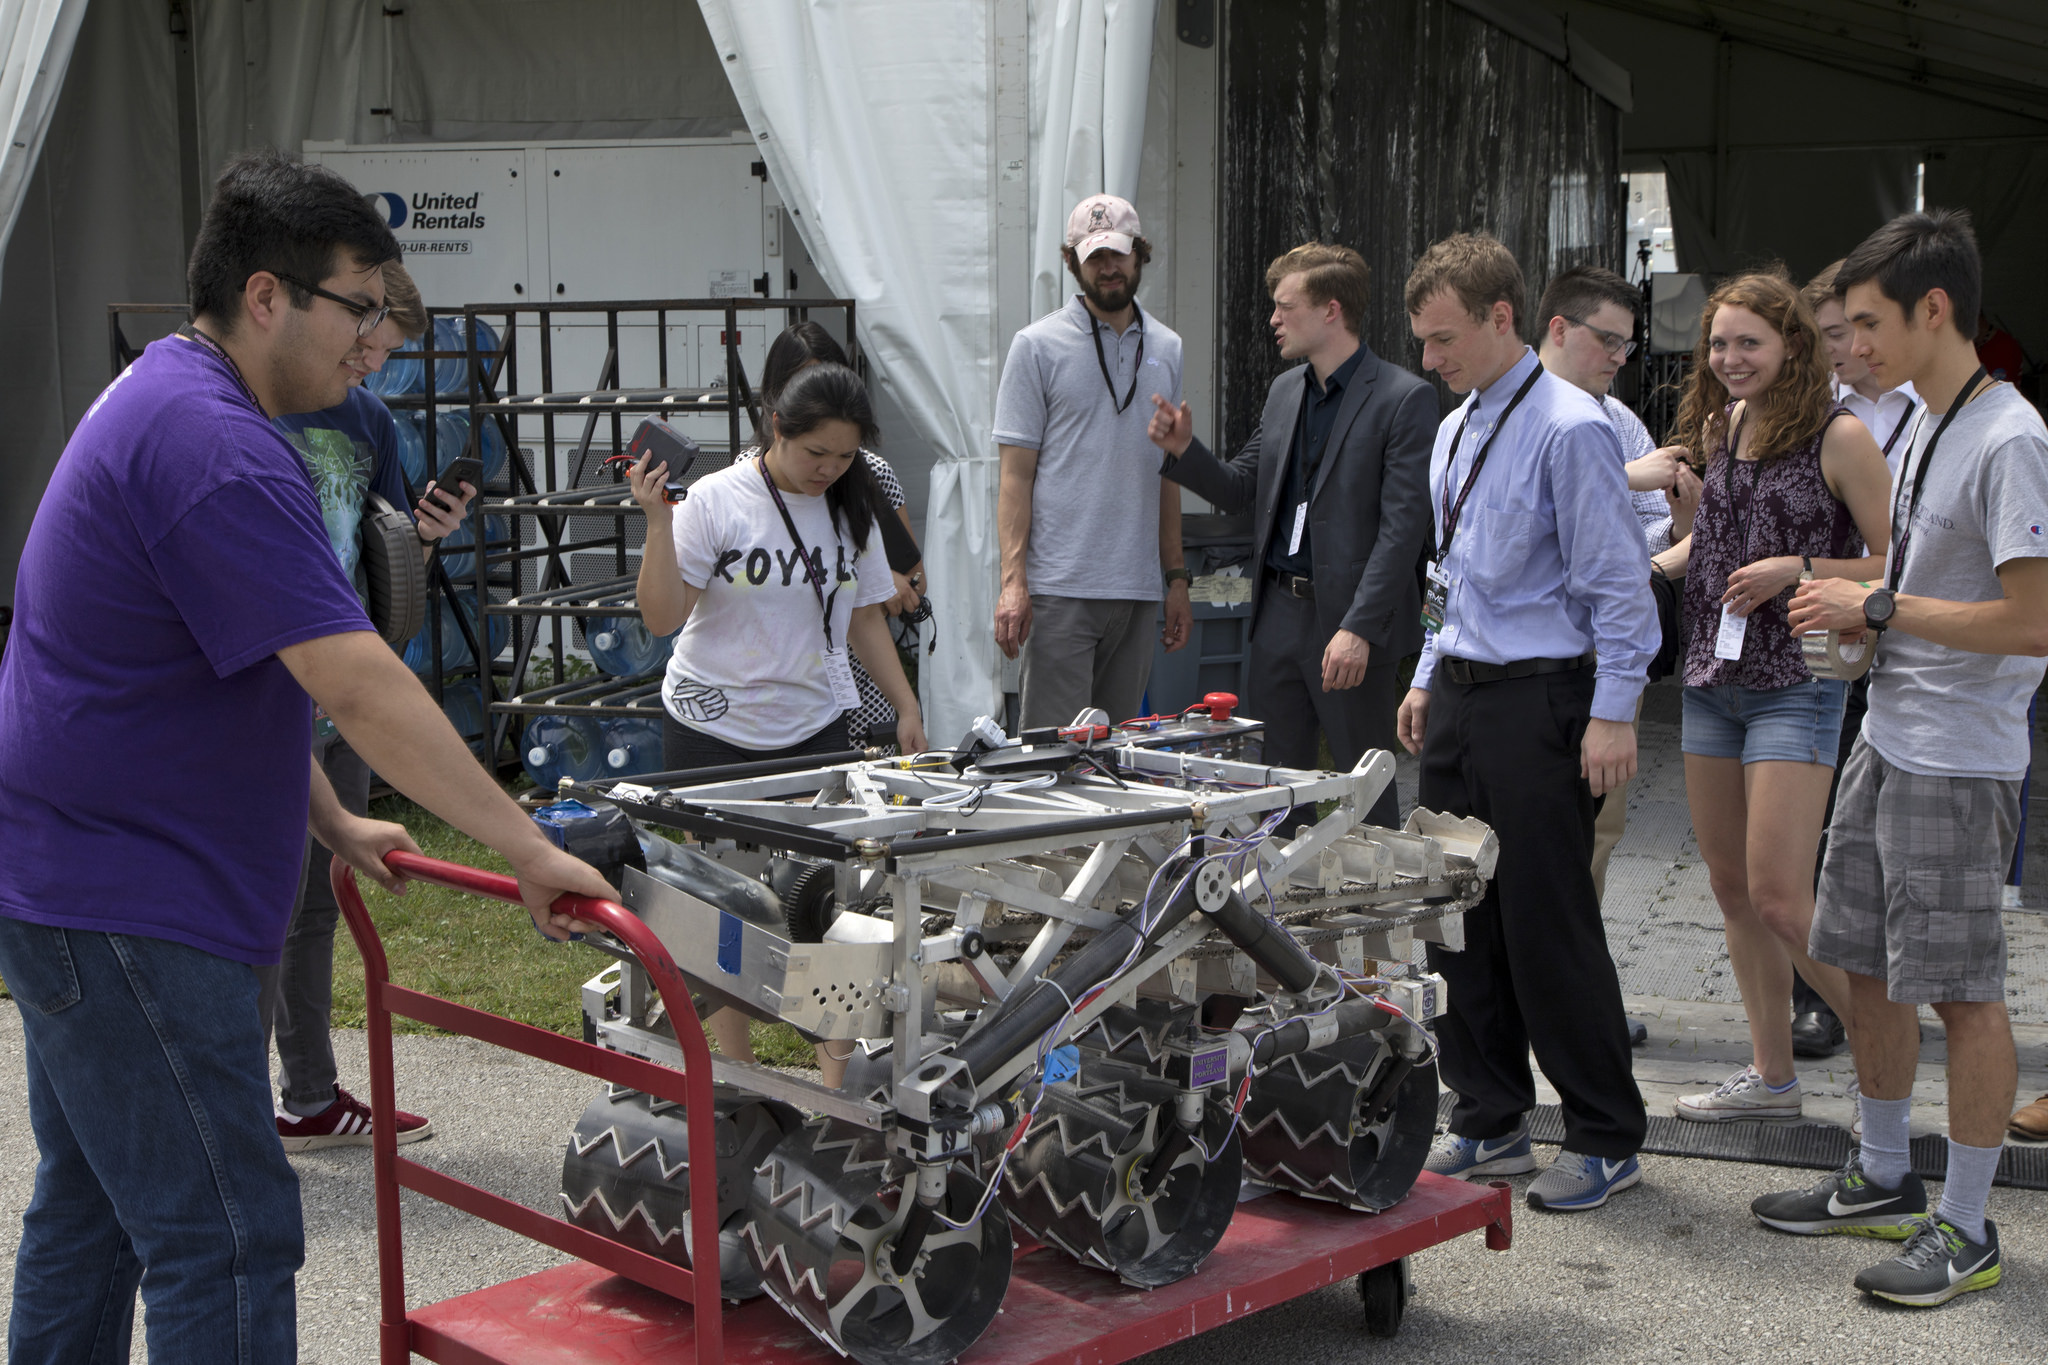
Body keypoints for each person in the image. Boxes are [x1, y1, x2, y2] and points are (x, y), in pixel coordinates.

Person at [0, 149, 612, 1362]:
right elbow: (354, 679)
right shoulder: (214, 446)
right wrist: (528, 846)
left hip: (86, 885)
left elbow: (213, 672)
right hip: (133, 904)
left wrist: (333, 822)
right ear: (268, 295)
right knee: (224, 1238)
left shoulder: (172, 398)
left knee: (97, 1217)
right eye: (361, 306)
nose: (377, 338)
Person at [1762, 209, 2048, 1307]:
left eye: (1866, 325)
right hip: (1889, 730)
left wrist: (1876, 602)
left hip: (1955, 758)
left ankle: (1967, 1227)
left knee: (1961, 994)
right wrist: (1860, 621)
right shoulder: (1927, 421)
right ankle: (1881, 1174)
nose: (1849, 346)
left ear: (1935, 310)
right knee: (1868, 966)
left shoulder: (2009, 435)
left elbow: (2031, 622)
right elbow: (1938, 588)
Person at [1397, 233, 1657, 1213]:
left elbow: (1617, 589)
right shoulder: (1454, 426)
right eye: (1421, 341)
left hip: (1541, 694)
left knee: (1546, 920)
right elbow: (1449, 571)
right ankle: (1489, 1115)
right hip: (1462, 690)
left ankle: (1601, 1132)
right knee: (1454, 919)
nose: (1429, 359)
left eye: (1442, 338)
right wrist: (1426, 673)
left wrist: (1611, 713)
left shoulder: (1569, 427)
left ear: (1502, 318)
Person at [631, 360, 925, 1087]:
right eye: (813, 452)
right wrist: (657, 524)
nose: (828, 468)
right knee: (729, 903)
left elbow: (863, 615)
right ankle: (736, 1073)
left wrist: (906, 703)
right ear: (775, 428)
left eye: (844, 455)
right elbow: (662, 617)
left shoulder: (852, 504)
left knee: (829, 900)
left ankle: (833, 1079)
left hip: (814, 724)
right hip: (713, 727)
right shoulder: (714, 500)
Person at [1655, 272, 1892, 1126]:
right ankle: (1773, 1080)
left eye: (1748, 342)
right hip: (1712, 680)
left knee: (1782, 895)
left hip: (1798, 681)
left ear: (1792, 343)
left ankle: (1884, 1060)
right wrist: (1668, 549)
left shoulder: (1842, 436)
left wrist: (1803, 570)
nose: (1729, 358)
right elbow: (1709, 547)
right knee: (1729, 887)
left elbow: (1897, 564)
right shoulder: (1725, 425)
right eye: (1719, 343)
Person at [262, 258, 480, 1152]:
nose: (373, 365)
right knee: (252, 909)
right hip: (261, 702)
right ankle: (231, 1119)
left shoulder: (370, 420)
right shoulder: (242, 409)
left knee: (319, 904)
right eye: (370, 343)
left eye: (388, 353)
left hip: (336, 700)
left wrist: (424, 537)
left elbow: (385, 564)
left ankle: (309, 1095)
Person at [1144, 242, 1433, 829]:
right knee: (1279, 787)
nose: (1273, 320)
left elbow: (1403, 531)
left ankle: (1374, 909)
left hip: (1350, 625)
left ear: (1331, 310)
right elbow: (1240, 488)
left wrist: (1357, 628)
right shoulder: (1285, 392)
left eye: (1284, 306)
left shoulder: (1404, 398)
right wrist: (1184, 453)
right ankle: (1282, 912)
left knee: (1365, 787)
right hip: (1276, 614)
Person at [1532, 264, 1703, 902]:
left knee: (1598, 826)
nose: (1619, 357)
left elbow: (1657, 535)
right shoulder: (1496, 413)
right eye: (1607, 340)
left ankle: (1581, 981)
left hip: (1603, 657)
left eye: (1627, 345)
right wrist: (1624, 475)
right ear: (1558, 327)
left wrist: (1680, 526)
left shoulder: (1619, 420)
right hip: (1515, 665)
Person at [1789, 259, 1924, 1059]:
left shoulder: (1928, 409)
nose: (1840, 350)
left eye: (1848, 331)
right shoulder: (1812, 413)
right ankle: (1821, 997)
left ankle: (1902, 993)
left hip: (1914, 640)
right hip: (1827, 643)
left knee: (1897, 836)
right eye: (1826, 336)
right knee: (1821, 826)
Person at [995, 193, 1192, 727]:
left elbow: (1168, 472)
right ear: (1073, 263)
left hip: (1136, 587)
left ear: (1140, 255)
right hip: (1061, 587)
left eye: (1118, 254)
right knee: (1052, 759)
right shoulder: (1035, 346)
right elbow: (1015, 476)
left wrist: (1176, 578)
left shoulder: (1168, 348)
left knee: (1116, 756)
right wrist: (1014, 582)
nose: (1108, 267)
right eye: (1094, 256)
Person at [751, 322, 927, 749]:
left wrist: (888, 584)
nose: (821, 396)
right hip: (776, 690)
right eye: (804, 384)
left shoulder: (871, 473)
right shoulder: (747, 478)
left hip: (862, 678)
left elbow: (914, 583)